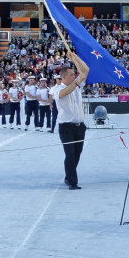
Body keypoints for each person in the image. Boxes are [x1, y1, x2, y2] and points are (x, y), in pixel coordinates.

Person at [51, 52, 89, 190]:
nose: (75, 76)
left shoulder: (77, 86)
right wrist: (77, 81)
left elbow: (85, 70)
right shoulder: (57, 89)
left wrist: (75, 58)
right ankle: (72, 181)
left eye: (75, 74)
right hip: (66, 127)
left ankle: (69, 176)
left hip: (80, 126)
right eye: (72, 74)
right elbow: (64, 93)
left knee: (77, 154)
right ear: (64, 77)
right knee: (70, 154)